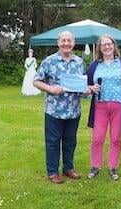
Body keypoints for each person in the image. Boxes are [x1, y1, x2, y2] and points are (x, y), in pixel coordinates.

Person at [33, 31, 84, 184]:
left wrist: (86, 89)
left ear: (73, 43)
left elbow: (80, 84)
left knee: (70, 141)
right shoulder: (49, 61)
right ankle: (53, 171)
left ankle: (68, 168)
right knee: (53, 142)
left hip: (74, 110)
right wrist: (50, 89)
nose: (66, 43)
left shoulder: (79, 62)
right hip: (54, 110)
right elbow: (36, 81)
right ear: (58, 43)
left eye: (69, 40)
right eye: (63, 40)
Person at [87, 34, 121, 180]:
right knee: (97, 138)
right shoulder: (94, 65)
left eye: (109, 44)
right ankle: (95, 166)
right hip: (100, 105)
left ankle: (113, 167)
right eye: (103, 44)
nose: (107, 46)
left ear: (114, 46)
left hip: (119, 105)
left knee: (116, 138)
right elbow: (87, 86)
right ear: (99, 48)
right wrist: (91, 88)